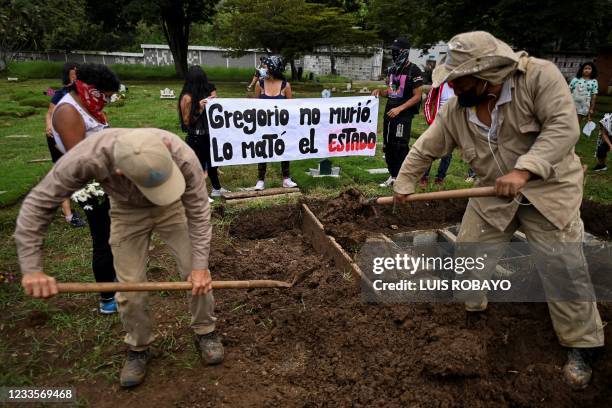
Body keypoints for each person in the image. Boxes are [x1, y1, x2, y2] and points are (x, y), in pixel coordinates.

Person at [393, 31, 604, 390]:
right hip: (494, 190)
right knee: (469, 252)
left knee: (563, 266)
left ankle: (582, 345)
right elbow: (427, 145)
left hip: (548, 190)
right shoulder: (457, 109)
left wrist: (524, 170)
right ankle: (474, 314)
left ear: (486, 75)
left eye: (459, 80)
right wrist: (404, 182)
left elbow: (564, 128)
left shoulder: (539, 78)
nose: (453, 87)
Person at [16, 128, 224, 388]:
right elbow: (38, 204)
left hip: (172, 207)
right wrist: (32, 268)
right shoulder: (88, 157)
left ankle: (206, 331)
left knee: (195, 273)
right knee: (130, 286)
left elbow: (198, 210)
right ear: (119, 172)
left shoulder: (182, 155)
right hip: (127, 210)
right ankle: (138, 346)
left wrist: (200, 266)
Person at [51, 63, 119, 314]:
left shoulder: (89, 108)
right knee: (102, 239)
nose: (108, 102)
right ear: (92, 90)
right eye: (107, 96)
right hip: (92, 187)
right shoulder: (68, 112)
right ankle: (107, 297)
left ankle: (115, 281)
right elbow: (80, 158)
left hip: (105, 180)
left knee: (114, 237)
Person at [372, 37, 423, 188]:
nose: (394, 54)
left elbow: (417, 96)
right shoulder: (392, 70)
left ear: (405, 52)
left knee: (399, 145)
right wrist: (379, 92)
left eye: (397, 51)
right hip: (389, 113)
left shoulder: (414, 70)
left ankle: (403, 177)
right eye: (392, 51)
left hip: (403, 115)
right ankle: (393, 175)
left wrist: (400, 109)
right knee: (388, 145)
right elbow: (392, 91)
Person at [44, 62, 86, 228]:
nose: (76, 76)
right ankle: (68, 213)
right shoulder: (60, 94)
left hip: (78, 135)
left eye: (78, 74)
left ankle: (86, 198)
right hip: (58, 136)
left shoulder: (84, 92)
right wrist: (48, 125)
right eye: (73, 74)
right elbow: (49, 113)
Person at [179, 66, 229, 199]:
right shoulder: (187, 98)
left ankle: (216, 188)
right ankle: (200, 194)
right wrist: (199, 108)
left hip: (208, 135)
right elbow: (186, 121)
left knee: (213, 163)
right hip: (196, 137)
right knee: (199, 167)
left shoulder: (201, 95)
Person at [252, 56, 298, 190]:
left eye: (264, 67)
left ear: (272, 68)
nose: (261, 69)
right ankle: (260, 180)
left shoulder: (285, 85)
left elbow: (291, 108)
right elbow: (255, 106)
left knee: (284, 149)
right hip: (264, 125)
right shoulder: (259, 84)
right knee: (262, 149)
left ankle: (286, 178)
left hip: (281, 126)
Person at [420, 81, 455, 187]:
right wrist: (430, 121)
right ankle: (424, 177)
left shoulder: (462, 84)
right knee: (430, 150)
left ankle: (440, 178)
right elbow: (427, 103)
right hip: (437, 123)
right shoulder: (439, 85)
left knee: (447, 153)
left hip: (453, 125)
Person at [569, 62, 599, 128]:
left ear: (592, 70)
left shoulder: (594, 81)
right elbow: (569, 91)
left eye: (589, 68)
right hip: (573, 103)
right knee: (569, 120)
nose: (587, 70)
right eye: (585, 68)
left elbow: (594, 95)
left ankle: (574, 135)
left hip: (584, 105)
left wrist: (592, 108)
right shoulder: (575, 79)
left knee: (577, 122)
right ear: (582, 70)